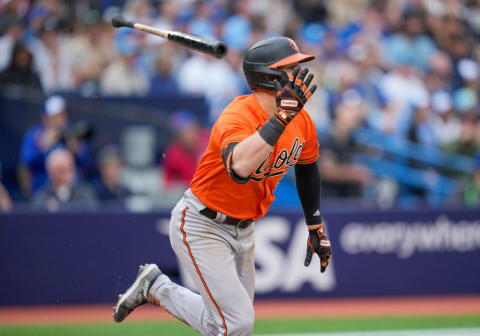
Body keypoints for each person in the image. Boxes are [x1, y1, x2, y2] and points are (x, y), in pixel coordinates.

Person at [113, 37, 332, 336]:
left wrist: (315, 225)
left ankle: (157, 287)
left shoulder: (302, 120)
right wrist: (281, 117)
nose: (301, 74)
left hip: (245, 229)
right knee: (238, 324)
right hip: (203, 224)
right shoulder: (238, 115)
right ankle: (158, 288)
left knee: (224, 326)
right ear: (271, 76)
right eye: (292, 67)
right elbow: (240, 168)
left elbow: (308, 168)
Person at [19, 95, 91, 196]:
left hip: (73, 193)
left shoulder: (71, 133)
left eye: (62, 115)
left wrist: (76, 149)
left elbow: (86, 162)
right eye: (55, 117)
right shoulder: (34, 135)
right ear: (45, 118)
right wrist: (43, 146)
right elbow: (27, 162)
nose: (60, 120)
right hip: (43, 191)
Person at [31, 149, 97, 212]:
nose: (67, 174)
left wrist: (60, 208)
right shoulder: (42, 197)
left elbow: (93, 214)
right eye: (61, 171)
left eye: (70, 169)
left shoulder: (85, 194)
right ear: (51, 173)